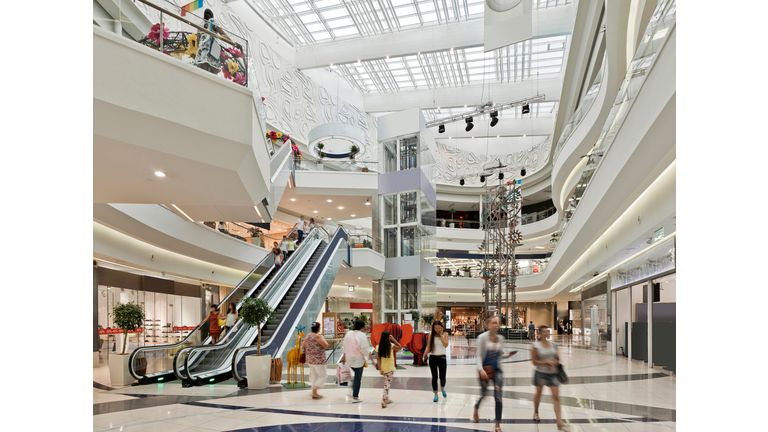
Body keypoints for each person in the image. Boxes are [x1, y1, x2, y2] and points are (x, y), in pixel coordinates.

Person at [473, 316, 517, 432]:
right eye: (493, 323)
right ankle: (476, 407)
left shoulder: (500, 339)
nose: (496, 325)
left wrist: (508, 355)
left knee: (498, 397)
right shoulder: (482, 338)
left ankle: (497, 424)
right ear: (488, 325)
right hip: (485, 370)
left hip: (497, 370)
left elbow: (498, 355)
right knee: (484, 394)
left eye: (497, 323)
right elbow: (478, 355)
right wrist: (481, 369)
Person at [532, 326, 568, 431]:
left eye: (547, 331)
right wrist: (546, 362)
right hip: (540, 374)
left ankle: (559, 421)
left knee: (556, 397)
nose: (546, 333)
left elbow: (558, 358)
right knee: (538, 395)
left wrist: (555, 363)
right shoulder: (535, 346)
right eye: (544, 332)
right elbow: (534, 362)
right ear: (539, 334)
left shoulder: (554, 345)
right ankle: (536, 411)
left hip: (553, 374)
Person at [340, 319, 376, 403]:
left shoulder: (348, 334)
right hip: (358, 360)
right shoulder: (362, 335)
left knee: (355, 377)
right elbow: (366, 349)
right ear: (362, 326)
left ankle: (353, 390)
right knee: (357, 378)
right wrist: (372, 361)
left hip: (349, 358)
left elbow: (344, 346)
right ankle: (355, 397)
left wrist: (343, 357)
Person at [195, 9, 238, 75]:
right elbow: (222, 33)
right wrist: (232, 42)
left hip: (202, 50)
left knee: (203, 72)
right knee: (214, 71)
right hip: (212, 49)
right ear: (212, 16)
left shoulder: (200, 24)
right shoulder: (213, 21)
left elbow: (198, 39)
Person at [422, 320, 449, 402]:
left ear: (442, 327)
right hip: (433, 358)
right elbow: (428, 346)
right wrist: (424, 355)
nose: (437, 329)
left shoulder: (445, 334)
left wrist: (441, 335)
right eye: (435, 328)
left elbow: (446, 345)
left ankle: (442, 388)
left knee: (442, 376)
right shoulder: (431, 335)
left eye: (439, 328)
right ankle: (435, 394)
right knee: (434, 377)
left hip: (442, 358)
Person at [302, 322, 329, 399]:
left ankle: (315, 393)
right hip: (318, 360)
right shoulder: (318, 336)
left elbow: (303, 346)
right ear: (318, 328)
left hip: (310, 360)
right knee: (323, 375)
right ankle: (314, 390)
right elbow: (326, 345)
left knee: (314, 376)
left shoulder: (307, 336)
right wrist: (322, 338)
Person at [377, 330, 402, 408]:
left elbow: (378, 359)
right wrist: (394, 339)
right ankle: (383, 400)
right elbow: (400, 347)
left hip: (384, 368)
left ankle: (386, 399)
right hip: (390, 367)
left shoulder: (378, 346)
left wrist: (380, 369)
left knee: (386, 382)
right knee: (387, 384)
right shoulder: (391, 345)